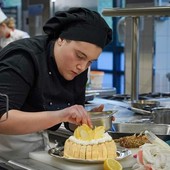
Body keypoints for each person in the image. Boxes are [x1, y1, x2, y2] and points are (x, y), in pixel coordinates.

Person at [0, 7, 112, 159]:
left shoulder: (78, 67)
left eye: (90, 61)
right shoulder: (23, 58)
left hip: (38, 150)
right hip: (5, 151)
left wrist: (87, 119)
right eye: (79, 55)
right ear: (60, 39)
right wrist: (61, 115)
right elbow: (2, 119)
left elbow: (69, 122)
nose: (82, 67)